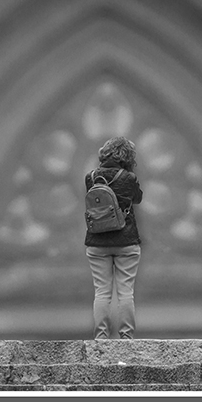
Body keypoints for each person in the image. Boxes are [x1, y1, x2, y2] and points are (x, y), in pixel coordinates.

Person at [84, 136, 143, 339]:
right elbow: (137, 198)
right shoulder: (129, 178)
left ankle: (101, 337)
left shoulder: (90, 178)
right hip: (126, 242)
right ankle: (126, 337)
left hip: (97, 242)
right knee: (125, 292)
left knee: (102, 292)